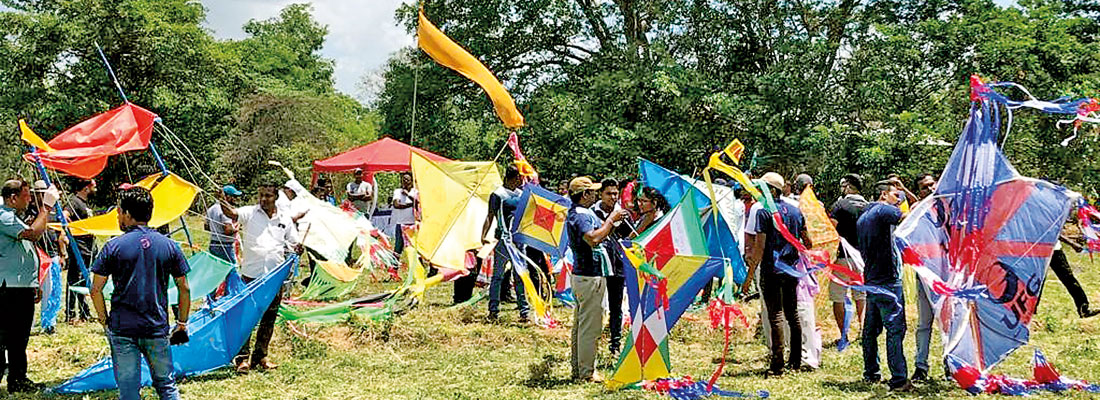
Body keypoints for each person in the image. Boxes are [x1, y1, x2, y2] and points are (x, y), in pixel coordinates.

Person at [89, 187, 190, 400]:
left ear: (126, 213)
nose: (117, 216)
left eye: (118, 212)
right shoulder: (170, 245)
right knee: (166, 385)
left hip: (122, 328)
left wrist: (104, 320)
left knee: (128, 390)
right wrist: (182, 323)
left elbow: (95, 289)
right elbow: (184, 288)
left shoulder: (112, 247)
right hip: (156, 327)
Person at [219, 183, 303, 372]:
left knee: (269, 318)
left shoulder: (285, 219)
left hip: (274, 277)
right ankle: (242, 359)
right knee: (246, 317)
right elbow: (232, 214)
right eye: (261, 195)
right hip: (251, 275)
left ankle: (261, 356)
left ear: (276, 198)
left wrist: (298, 248)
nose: (263, 199)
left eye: (268, 196)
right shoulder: (250, 213)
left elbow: (294, 241)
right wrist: (221, 200)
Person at [567, 176, 628, 382]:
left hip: (586, 276)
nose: (595, 194)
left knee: (582, 325)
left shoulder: (581, 213)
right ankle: (586, 373)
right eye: (592, 191)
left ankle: (579, 369)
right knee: (590, 327)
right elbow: (593, 239)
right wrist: (611, 221)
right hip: (589, 276)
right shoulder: (582, 215)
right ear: (584, 195)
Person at [749, 172, 809, 376]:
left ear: (770, 190)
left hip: (771, 270)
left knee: (775, 315)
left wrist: (749, 276)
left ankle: (777, 364)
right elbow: (807, 242)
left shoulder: (763, 212)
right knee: (792, 314)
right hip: (791, 270)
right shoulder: (795, 211)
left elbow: (759, 247)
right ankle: (796, 361)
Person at [0, 179, 57, 392]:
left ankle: (18, 378)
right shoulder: (4, 217)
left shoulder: (14, 217)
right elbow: (33, 233)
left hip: (20, 286)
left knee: (19, 337)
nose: (30, 198)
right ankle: (13, 378)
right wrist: (47, 208)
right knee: (7, 337)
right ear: (13, 198)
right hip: (9, 289)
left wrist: (33, 282)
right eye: (26, 195)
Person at [857, 180, 913, 392]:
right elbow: (908, 217)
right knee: (895, 328)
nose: (897, 198)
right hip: (888, 281)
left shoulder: (864, 216)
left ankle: (871, 372)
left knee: (871, 330)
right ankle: (899, 379)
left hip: (871, 280)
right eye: (894, 194)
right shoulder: (883, 210)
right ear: (883, 195)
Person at [590, 178, 633, 355]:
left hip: (617, 265)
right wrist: (610, 221)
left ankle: (615, 345)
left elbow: (629, 238)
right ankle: (592, 343)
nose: (612, 197)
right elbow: (594, 235)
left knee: (616, 307)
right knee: (596, 306)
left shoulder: (624, 214)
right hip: (597, 266)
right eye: (608, 193)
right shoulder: (592, 213)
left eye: (615, 193)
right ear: (601, 194)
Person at [480, 166, 529, 321]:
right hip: (503, 240)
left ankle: (524, 311)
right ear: (511, 178)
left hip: (518, 240)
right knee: (498, 276)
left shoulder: (521, 195)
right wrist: (483, 234)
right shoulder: (498, 195)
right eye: (518, 178)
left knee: (520, 275)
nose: (520, 181)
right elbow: (490, 215)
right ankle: (493, 310)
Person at [828, 174, 868, 352]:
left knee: (838, 298)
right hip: (863, 259)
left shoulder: (840, 205)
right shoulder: (868, 206)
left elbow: (830, 229)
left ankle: (843, 334)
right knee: (861, 297)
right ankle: (863, 331)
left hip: (842, 257)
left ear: (848, 187)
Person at [911, 173, 937, 382]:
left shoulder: (951, 210)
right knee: (924, 323)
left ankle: (951, 366)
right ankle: (921, 366)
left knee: (951, 324)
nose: (929, 189)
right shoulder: (916, 212)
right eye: (924, 187)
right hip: (925, 276)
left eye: (931, 185)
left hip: (947, 278)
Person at [63, 177, 98, 322]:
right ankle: (70, 314)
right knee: (73, 280)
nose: (96, 188)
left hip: (88, 249)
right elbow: (64, 216)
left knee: (83, 280)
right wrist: (76, 230)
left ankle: (84, 312)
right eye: (93, 186)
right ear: (86, 188)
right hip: (78, 247)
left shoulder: (84, 203)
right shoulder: (74, 201)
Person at [206, 185, 242, 264]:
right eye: (234, 196)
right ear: (227, 197)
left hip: (213, 244)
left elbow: (206, 227)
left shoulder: (211, 209)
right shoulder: (226, 211)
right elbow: (228, 230)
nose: (235, 199)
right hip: (225, 246)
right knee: (231, 270)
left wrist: (216, 230)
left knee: (217, 270)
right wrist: (237, 227)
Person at [392, 172, 418, 256]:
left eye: (407, 180)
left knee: (413, 246)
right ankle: (394, 267)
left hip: (412, 223)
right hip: (400, 223)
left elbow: (418, 203)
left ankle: (416, 266)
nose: (405, 181)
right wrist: (411, 204)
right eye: (404, 180)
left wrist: (408, 194)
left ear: (411, 181)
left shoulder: (415, 192)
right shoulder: (398, 191)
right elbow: (396, 205)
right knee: (398, 246)